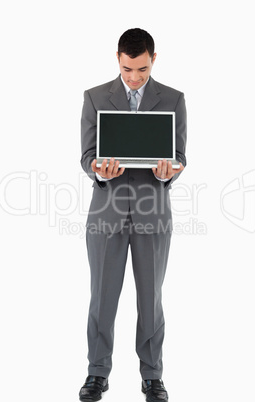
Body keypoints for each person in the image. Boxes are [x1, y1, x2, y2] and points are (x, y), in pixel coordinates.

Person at [79, 28, 187, 402]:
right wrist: (97, 168)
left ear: (153, 59)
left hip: (153, 210)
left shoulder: (173, 99)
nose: (134, 78)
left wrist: (169, 170)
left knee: (150, 298)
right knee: (102, 297)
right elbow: (86, 154)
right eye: (127, 69)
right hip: (107, 210)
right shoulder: (95, 98)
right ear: (118, 59)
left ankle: (152, 375)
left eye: (141, 69)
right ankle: (97, 372)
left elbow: (180, 156)